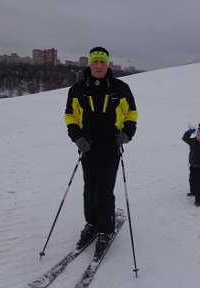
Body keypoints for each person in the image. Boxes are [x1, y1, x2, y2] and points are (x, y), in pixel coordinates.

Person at [64, 47, 138, 253]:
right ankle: (92, 223)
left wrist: (127, 134)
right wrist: (77, 138)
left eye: (102, 62)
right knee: (89, 190)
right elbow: (70, 117)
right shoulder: (77, 90)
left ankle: (105, 230)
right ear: (90, 63)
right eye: (95, 61)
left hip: (110, 148)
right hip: (87, 148)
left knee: (103, 191)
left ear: (107, 65)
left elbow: (131, 113)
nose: (98, 66)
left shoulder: (120, 88)